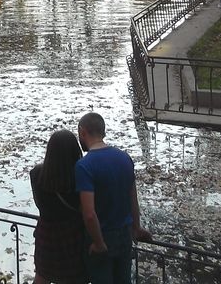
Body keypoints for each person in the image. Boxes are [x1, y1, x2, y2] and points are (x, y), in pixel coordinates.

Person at [75, 113, 151, 284]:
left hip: (102, 236)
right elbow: (133, 198)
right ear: (103, 132)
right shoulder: (124, 158)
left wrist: (98, 243)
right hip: (125, 234)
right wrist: (136, 227)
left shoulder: (84, 166)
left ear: (82, 132)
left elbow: (89, 213)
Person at [30, 129, 87, 284]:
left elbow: (38, 203)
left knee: (42, 275)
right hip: (72, 238)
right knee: (73, 278)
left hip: (46, 235)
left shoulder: (36, 174)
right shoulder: (79, 178)